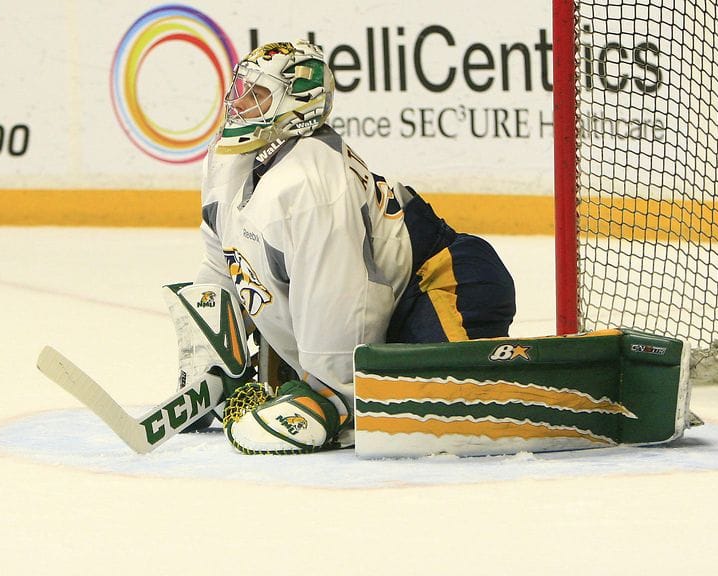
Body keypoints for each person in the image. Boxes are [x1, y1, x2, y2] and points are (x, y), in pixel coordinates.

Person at [192, 40, 516, 454]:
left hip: (442, 283)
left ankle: (523, 377)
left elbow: (341, 295)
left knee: (429, 418)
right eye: (239, 91)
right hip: (381, 300)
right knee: (387, 405)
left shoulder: (310, 179)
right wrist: (213, 352)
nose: (239, 105)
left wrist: (331, 394)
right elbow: (223, 261)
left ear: (298, 102)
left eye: (257, 95)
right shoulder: (226, 160)